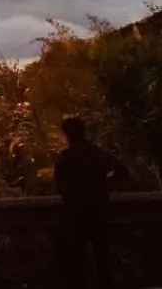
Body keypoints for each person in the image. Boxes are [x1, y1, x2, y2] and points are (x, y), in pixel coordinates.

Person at [54, 115, 128, 289]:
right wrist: (107, 186)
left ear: (66, 134)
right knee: (102, 257)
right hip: (98, 211)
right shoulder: (97, 153)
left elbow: (60, 186)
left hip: (76, 214)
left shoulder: (65, 157)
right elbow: (121, 170)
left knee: (77, 261)